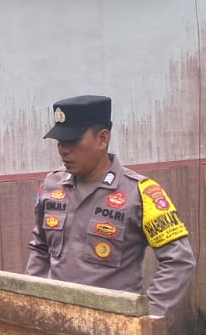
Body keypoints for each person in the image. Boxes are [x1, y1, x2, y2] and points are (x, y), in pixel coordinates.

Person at [26, 95, 195, 317]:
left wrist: (147, 315)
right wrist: (33, 302)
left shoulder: (141, 193)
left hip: (115, 328)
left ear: (102, 139)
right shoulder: (51, 185)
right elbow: (40, 248)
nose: (63, 150)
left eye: (72, 141)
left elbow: (179, 261)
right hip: (58, 323)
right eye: (60, 142)